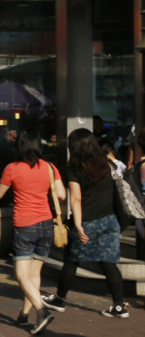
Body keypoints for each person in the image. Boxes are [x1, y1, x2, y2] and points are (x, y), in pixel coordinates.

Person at [42, 128, 129, 319]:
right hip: (109, 220)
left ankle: (60, 299)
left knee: (72, 260)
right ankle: (119, 305)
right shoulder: (106, 163)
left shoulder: (74, 167)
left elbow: (76, 199)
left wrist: (79, 224)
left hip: (87, 220)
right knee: (108, 263)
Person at [0, 130, 66, 334]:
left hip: (24, 225)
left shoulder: (12, 168)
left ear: (19, 146)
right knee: (34, 274)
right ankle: (23, 315)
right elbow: (63, 194)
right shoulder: (49, 167)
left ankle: (41, 311)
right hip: (46, 224)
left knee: (21, 275)